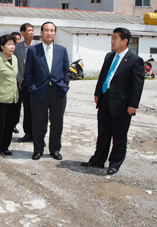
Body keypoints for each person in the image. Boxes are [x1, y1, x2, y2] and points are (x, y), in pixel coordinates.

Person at [81, 27, 144, 175]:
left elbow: (138, 85)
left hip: (122, 104)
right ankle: (98, 160)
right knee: (103, 132)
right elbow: (103, 76)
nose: (112, 41)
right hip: (105, 99)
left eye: (115, 38)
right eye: (112, 38)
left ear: (125, 41)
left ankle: (115, 163)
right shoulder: (109, 56)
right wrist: (97, 93)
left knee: (119, 135)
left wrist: (133, 104)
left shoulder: (135, 60)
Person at [25, 22, 70, 161]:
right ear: (42, 33)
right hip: (39, 91)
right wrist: (32, 88)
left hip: (58, 91)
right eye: (46, 30)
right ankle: (38, 150)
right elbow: (28, 72)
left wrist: (64, 85)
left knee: (57, 122)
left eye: (52, 30)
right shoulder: (33, 50)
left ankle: (55, 149)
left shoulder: (62, 50)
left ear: (55, 33)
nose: (49, 33)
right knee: (38, 122)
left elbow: (66, 71)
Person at [13, 23, 35, 143]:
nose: (31, 33)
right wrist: (20, 79)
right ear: (22, 33)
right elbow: (15, 65)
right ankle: (28, 133)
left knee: (37, 110)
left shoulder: (38, 46)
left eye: (32, 30)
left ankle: (37, 134)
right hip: (24, 82)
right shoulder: (17, 47)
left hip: (37, 83)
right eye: (29, 31)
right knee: (27, 108)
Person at [10, 31, 22, 134]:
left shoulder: (22, 51)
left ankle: (14, 124)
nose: (16, 41)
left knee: (17, 106)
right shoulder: (7, 51)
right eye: (14, 39)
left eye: (18, 39)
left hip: (20, 82)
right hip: (9, 84)